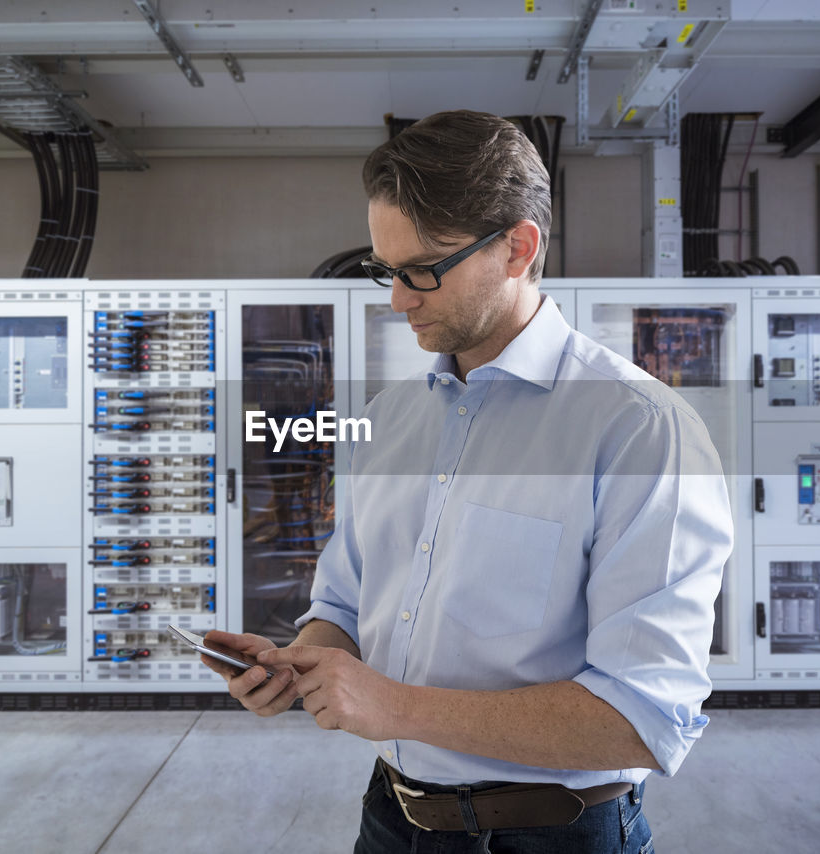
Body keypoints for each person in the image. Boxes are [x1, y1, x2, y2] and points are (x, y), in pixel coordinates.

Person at [202, 109, 734, 853]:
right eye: (386, 271)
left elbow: (646, 717)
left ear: (518, 247)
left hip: (555, 834)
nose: (397, 298)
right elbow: (345, 606)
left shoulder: (638, 429)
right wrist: (301, 664)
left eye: (422, 269)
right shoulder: (391, 420)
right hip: (394, 819)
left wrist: (396, 709)